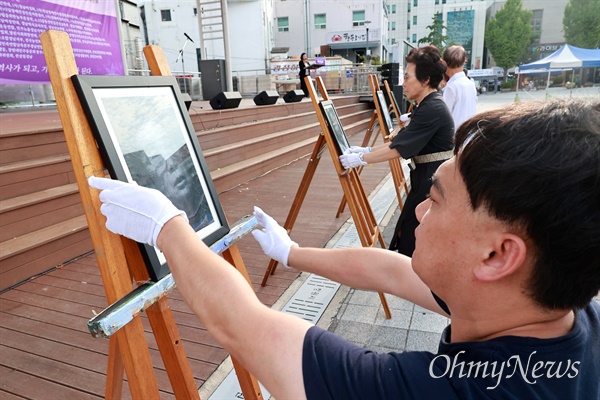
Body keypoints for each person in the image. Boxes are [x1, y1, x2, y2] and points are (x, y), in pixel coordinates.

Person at [88, 98, 600, 399]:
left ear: (495, 256)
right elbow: (394, 272)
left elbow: (243, 327)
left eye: (437, 202)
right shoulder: (550, 309)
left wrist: (167, 227)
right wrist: (292, 253)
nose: (420, 210)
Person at [339, 45, 454, 256]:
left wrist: (361, 159)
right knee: (407, 232)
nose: (403, 83)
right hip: (425, 176)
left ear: (426, 79)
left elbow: (399, 148)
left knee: (413, 237)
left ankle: (415, 286)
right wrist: (365, 149)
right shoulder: (428, 104)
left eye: (408, 77)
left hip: (433, 180)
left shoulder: (433, 108)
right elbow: (401, 141)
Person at [441, 46, 477, 132]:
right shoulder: (471, 84)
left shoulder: (451, 86)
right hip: (469, 132)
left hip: (455, 135)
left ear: (444, 62)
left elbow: (444, 116)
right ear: (464, 61)